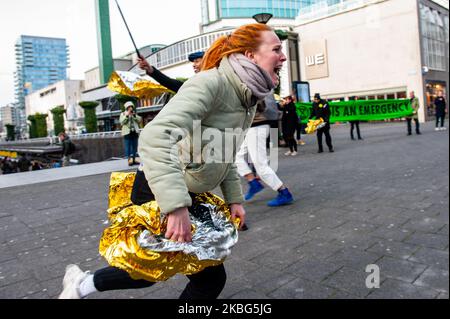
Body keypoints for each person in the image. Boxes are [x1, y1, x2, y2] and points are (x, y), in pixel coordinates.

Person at [58, 23, 285, 299]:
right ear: (250, 55)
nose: (283, 56)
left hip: (190, 190)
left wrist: (234, 198)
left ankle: (82, 283)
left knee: (191, 276)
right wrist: (176, 206)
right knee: (159, 272)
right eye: (276, 49)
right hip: (161, 188)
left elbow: (223, 153)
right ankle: (81, 284)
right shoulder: (210, 83)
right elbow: (155, 137)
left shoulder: (245, 95)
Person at [235, 90, 294, 207]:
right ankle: (253, 182)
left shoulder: (246, 87)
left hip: (256, 128)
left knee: (261, 165)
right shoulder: (246, 84)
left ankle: (284, 192)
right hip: (252, 128)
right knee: (235, 156)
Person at [119, 101, 143, 166]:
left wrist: (134, 115)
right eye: (129, 107)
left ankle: (134, 159)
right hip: (127, 133)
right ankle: (129, 160)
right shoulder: (123, 114)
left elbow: (139, 120)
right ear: (126, 108)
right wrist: (127, 116)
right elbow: (122, 122)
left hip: (134, 132)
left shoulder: (134, 114)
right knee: (128, 147)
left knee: (135, 146)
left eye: (131, 107)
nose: (130, 108)